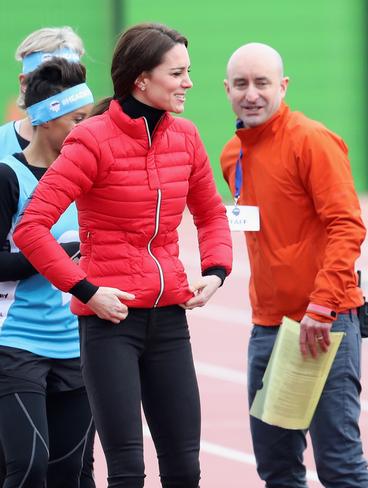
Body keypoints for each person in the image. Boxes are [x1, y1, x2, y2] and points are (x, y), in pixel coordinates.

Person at [12, 23, 233, 488]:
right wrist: (86, 290)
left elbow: (211, 214)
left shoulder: (187, 137)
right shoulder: (90, 140)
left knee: (184, 469)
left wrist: (215, 271)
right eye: (178, 73)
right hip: (110, 323)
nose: (189, 83)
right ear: (141, 80)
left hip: (170, 319)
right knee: (127, 471)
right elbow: (32, 229)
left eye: (188, 72)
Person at [220, 43, 368, 488]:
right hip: (268, 327)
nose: (252, 94)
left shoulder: (311, 141)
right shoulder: (233, 155)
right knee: (278, 469)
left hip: (324, 325)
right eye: (242, 84)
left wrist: (322, 307)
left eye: (262, 83)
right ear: (227, 90)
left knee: (340, 466)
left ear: (282, 87)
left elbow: (347, 226)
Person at [0, 58, 94, 488]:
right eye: (78, 119)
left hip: (76, 345)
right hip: (17, 344)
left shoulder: (87, 179)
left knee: (68, 473)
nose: (86, 129)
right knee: (29, 467)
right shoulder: (8, 177)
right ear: (45, 119)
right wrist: (57, 254)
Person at [0, 27, 84, 157]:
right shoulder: (3, 143)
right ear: (24, 83)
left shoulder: (92, 142)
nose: (62, 90)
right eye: (49, 78)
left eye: (72, 80)